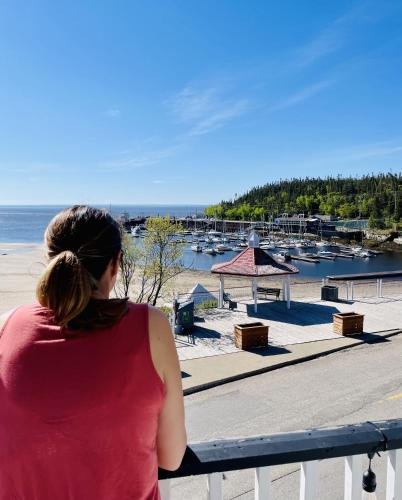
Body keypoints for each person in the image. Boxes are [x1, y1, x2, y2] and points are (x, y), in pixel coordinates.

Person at [0, 205, 187, 500]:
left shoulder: (5, 327)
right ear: (115, 265)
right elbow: (172, 457)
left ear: (48, 261)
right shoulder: (151, 326)